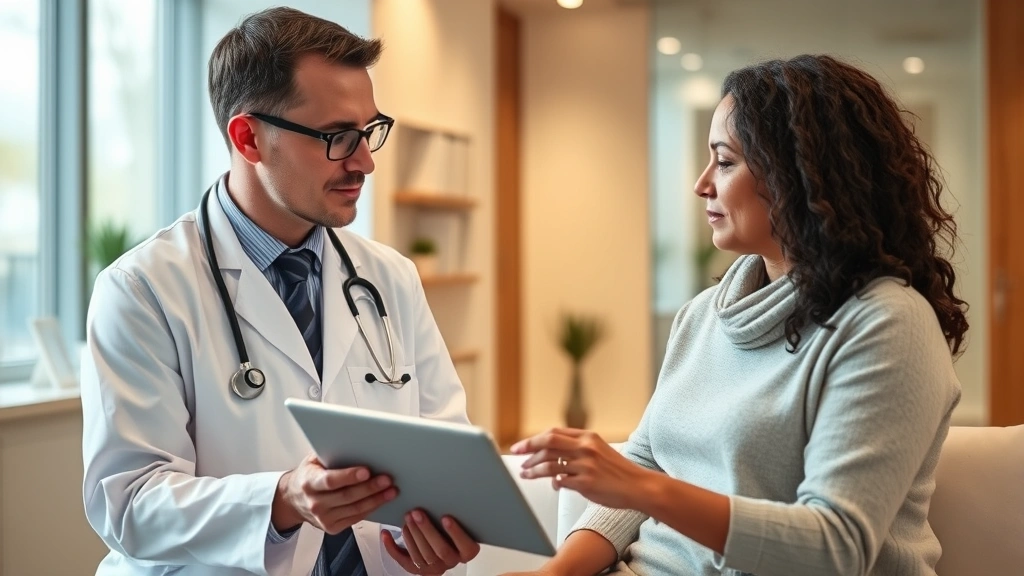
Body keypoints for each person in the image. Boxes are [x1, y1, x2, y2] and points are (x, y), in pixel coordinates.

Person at [503, 54, 969, 576]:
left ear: (800, 176)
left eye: (725, 162)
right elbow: (648, 459)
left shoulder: (886, 324)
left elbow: (836, 548)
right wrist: (556, 572)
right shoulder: (704, 315)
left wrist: (645, 489)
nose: (702, 184)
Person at [81, 7, 480, 576]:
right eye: (339, 137)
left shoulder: (389, 276)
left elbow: (446, 447)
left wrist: (443, 529)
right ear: (248, 138)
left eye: (369, 131)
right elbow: (128, 505)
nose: (365, 161)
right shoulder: (142, 290)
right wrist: (283, 500)